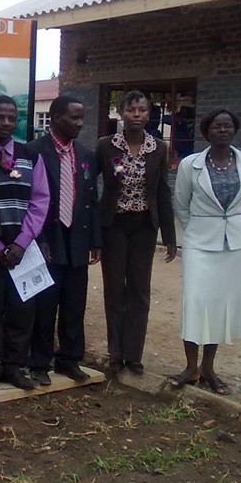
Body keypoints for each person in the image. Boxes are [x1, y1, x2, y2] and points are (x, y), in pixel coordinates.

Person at [169, 108, 241, 395]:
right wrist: (197, 230)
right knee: (196, 301)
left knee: (220, 307)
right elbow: (181, 204)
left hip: (234, 245)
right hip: (199, 242)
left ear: (235, 130)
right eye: (217, 126)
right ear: (206, 132)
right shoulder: (191, 164)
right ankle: (190, 367)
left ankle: (209, 368)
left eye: (228, 126)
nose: (223, 130)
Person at [96, 91, 176, 375]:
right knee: (115, 290)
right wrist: (92, 230)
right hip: (114, 226)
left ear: (148, 114)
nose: (137, 115)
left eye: (142, 110)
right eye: (131, 110)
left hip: (144, 226)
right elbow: (90, 185)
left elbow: (163, 192)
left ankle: (134, 355)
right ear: (121, 112)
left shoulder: (158, 148)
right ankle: (115, 353)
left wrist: (169, 237)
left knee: (140, 291)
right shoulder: (106, 146)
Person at [26, 96, 101, 384]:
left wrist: (96, 240)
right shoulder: (35, 151)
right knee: (45, 304)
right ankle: (39, 363)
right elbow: (30, 200)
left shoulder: (85, 154)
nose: (79, 123)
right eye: (73, 118)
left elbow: (92, 199)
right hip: (48, 239)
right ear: (56, 118)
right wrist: (39, 238)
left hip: (78, 239)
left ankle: (69, 359)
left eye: (81, 118)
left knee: (74, 303)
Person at [0, 96, 50, 393]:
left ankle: (14, 367)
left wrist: (22, 242)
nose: (6, 123)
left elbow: (40, 200)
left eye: (11, 117)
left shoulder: (30, 156)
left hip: (22, 248)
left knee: (22, 309)